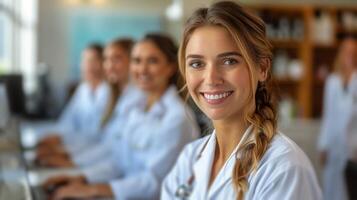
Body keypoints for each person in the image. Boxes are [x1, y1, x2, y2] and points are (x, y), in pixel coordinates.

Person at [161, 1, 322, 199]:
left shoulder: (283, 168)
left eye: (229, 61)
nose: (211, 79)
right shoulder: (190, 158)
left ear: (262, 68)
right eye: (197, 63)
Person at [43, 33, 200, 200]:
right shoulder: (137, 109)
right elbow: (119, 161)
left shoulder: (176, 117)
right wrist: (82, 178)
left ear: (171, 67)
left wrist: (93, 189)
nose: (142, 69)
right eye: (137, 61)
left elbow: (155, 182)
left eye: (152, 61)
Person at [35, 38, 143, 168]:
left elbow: (101, 141)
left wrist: (72, 159)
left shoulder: (129, 98)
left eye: (116, 59)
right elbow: (67, 122)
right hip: (97, 164)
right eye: (107, 59)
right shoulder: (89, 90)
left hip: (103, 167)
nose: (109, 65)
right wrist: (66, 153)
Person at [35, 44, 109, 148]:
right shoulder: (83, 89)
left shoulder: (110, 93)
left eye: (92, 61)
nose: (85, 66)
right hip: (77, 146)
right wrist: (54, 136)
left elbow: (96, 135)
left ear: (103, 64)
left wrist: (63, 139)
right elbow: (67, 121)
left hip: (92, 150)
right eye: (84, 61)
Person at [318, 36, 357, 200]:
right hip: (334, 146)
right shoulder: (332, 81)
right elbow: (328, 115)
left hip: (354, 146)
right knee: (332, 191)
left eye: (353, 51)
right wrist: (323, 144)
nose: (349, 55)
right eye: (346, 51)